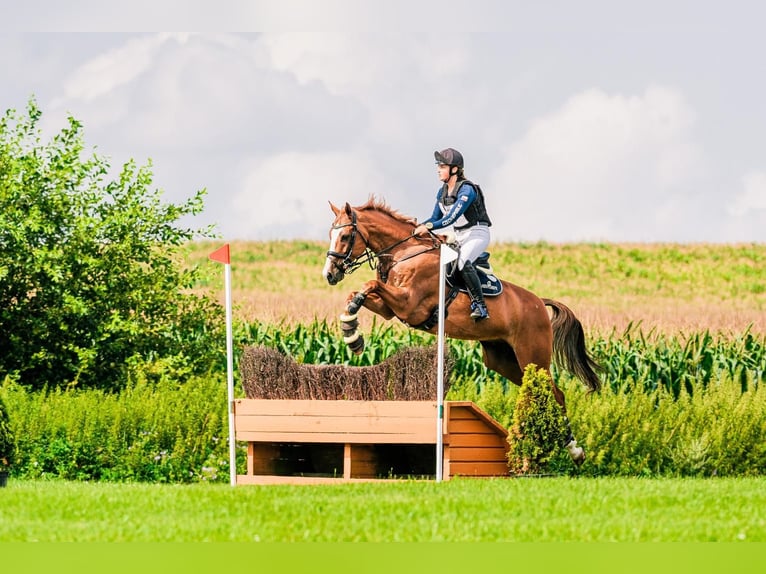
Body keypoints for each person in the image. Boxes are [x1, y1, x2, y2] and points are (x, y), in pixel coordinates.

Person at [413, 148, 492, 321]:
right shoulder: (442, 193)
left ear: (454, 169)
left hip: (477, 233)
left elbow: (449, 219)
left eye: (442, 166)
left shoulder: (467, 191)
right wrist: (417, 227)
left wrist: (428, 226)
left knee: (462, 262)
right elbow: (435, 218)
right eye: (438, 166)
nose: (438, 169)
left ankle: (481, 306)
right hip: (459, 235)